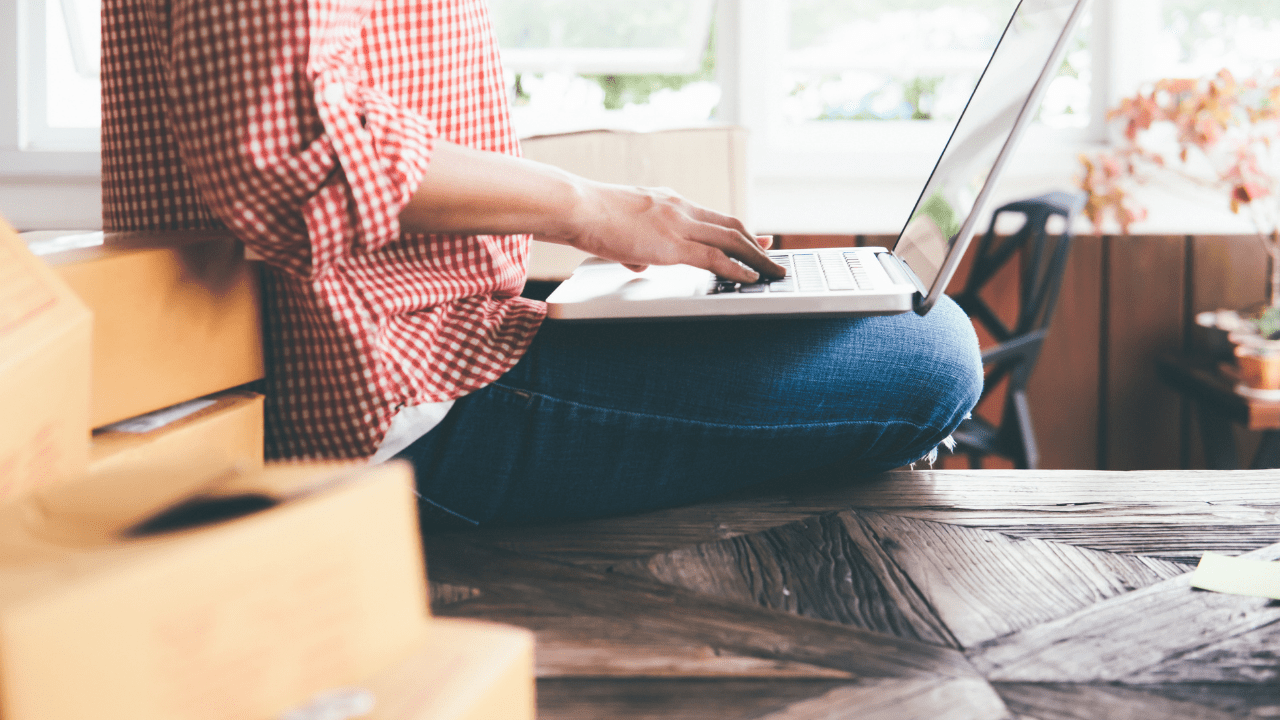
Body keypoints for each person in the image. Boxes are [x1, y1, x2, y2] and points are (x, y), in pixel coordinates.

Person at [101, 0, 982, 527]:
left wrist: (602, 224)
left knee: (889, 331)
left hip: (405, 347)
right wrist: (592, 208)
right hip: (381, 400)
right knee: (930, 348)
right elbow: (286, 139)